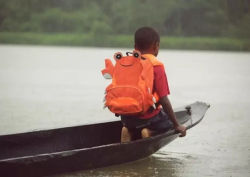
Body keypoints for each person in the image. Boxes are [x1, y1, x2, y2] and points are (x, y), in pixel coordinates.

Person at [120, 27, 186, 142]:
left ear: (135, 46)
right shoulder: (156, 66)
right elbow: (164, 99)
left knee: (137, 120)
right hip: (148, 118)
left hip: (126, 118)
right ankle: (149, 132)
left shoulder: (127, 63)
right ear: (156, 46)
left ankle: (128, 130)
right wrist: (177, 125)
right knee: (168, 124)